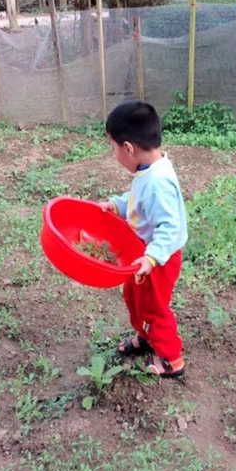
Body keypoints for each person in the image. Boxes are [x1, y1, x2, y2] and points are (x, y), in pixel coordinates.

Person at [98, 100, 187, 378]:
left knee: (153, 307)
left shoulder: (159, 182)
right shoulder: (147, 170)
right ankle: (147, 337)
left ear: (128, 148)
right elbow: (140, 202)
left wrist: (151, 258)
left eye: (112, 147)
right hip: (144, 256)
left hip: (159, 259)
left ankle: (171, 359)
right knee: (135, 298)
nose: (113, 153)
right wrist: (119, 205)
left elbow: (170, 227)